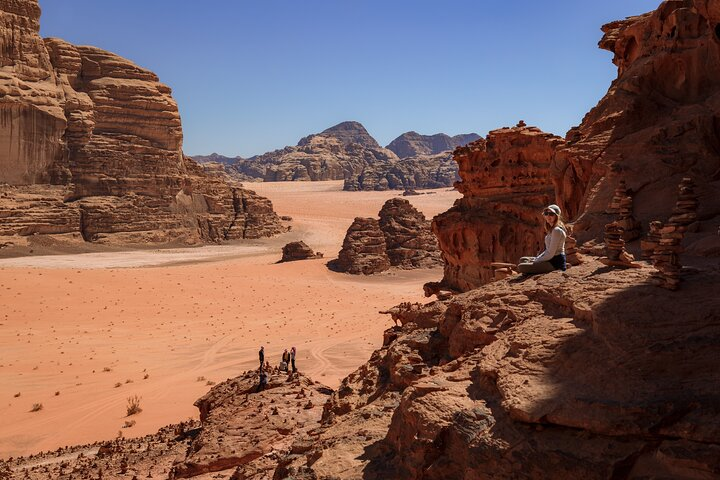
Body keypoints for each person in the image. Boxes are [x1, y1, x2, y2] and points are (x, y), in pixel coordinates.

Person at [517, 204, 567, 274]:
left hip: (555, 262)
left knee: (522, 266)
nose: (548, 216)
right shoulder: (551, 230)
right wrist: (537, 259)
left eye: (551, 214)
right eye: (546, 214)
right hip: (550, 259)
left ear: (557, 216)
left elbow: (550, 254)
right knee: (523, 260)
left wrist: (536, 260)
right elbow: (548, 250)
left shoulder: (556, 230)